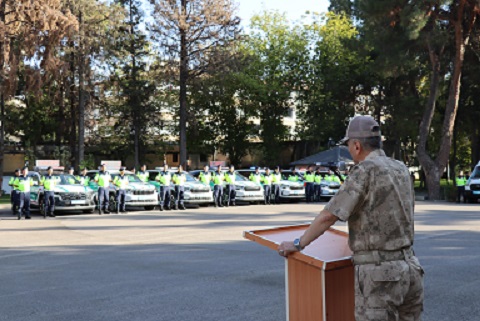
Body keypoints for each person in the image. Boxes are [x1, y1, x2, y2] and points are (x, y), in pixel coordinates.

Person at [279, 115, 424, 321]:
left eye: (348, 145)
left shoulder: (365, 170)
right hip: (410, 269)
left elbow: (329, 215)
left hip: (380, 276)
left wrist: (298, 243)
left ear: (357, 145)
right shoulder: (400, 168)